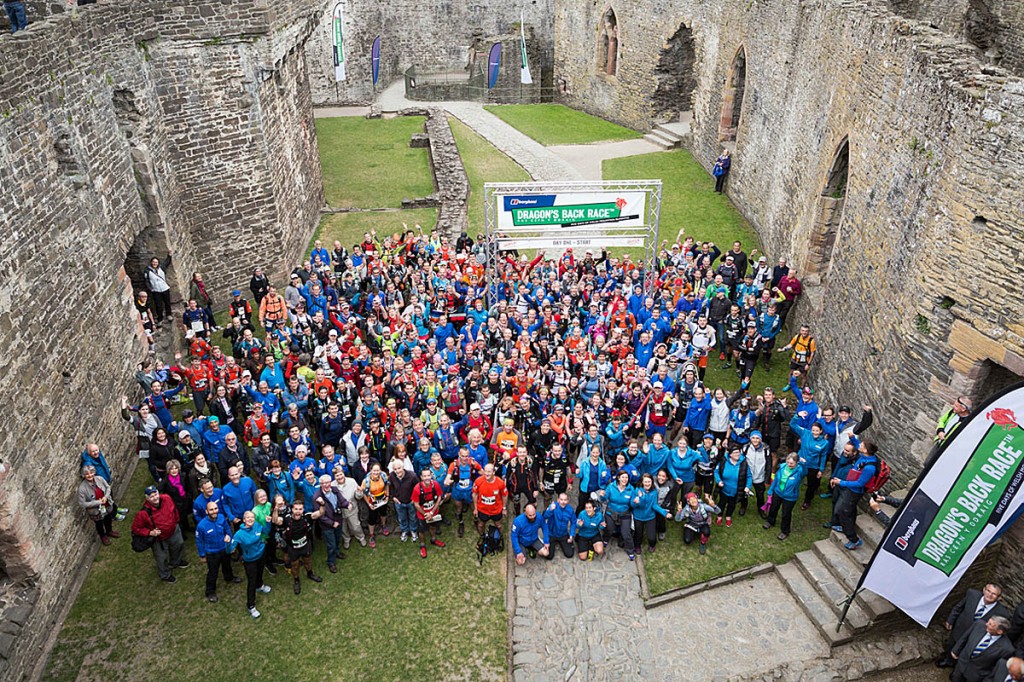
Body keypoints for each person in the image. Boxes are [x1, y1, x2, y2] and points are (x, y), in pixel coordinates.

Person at [937, 584, 1011, 668]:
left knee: (965, 652)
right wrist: (950, 620)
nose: (989, 595)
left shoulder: (1002, 613)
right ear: (984, 590)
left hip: (975, 637)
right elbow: (958, 608)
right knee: (951, 644)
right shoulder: (972, 594)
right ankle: (948, 660)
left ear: (999, 598)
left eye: (994, 594)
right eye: (988, 591)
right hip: (960, 628)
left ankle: (957, 666)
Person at [131, 485, 188, 583]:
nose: (155, 498)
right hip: (159, 539)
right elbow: (135, 528)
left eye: (155, 494)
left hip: (173, 530)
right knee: (162, 557)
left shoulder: (167, 498)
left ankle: (176, 562)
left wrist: (176, 521)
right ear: (147, 498)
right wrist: (150, 532)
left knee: (179, 544)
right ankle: (165, 575)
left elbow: (174, 510)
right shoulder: (143, 513)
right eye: (151, 497)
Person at [828, 439, 879, 550]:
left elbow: (860, 483)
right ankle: (845, 526)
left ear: (865, 450)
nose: (859, 445)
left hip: (854, 492)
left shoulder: (869, 467)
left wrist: (841, 482)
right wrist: (852, 438)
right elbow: (856, 443)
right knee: (849, 509)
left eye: (861, 445)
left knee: (843, 512)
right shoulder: (865, 456)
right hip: (850, 489)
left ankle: (853, 539)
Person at [273, 499, 323, 595]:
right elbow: (275, 521)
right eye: (296, 509)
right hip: (293, 548)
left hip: (305, 546)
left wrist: (322, 504)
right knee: (295, 565)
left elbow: (320, 513)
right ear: (292, 509)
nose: (298, 511)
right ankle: (296, 580)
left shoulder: (307, 517)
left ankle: (310, 574)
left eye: (300, 509)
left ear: (303, 509)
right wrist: (275, 510)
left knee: (308, 561)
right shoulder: (287, 519)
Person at [228, 510, 272, 618]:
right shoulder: (239, 534)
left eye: (252, 517)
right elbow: (230, 550)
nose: (250, 519)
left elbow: (265, 532)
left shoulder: (257, 525)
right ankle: (251, 605)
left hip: (261, 554)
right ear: (244, 520)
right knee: (251, 581)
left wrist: (267, 523)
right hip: (250, 560)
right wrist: (227, 543)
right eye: (247, 517)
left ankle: (260, 586)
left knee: (260, 572)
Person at [195, 500, 240, 602]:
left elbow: (227, 530)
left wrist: (230, 540)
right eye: (211, 510)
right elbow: (199, 541)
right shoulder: (201, 526)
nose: (214, 511)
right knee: (213, 573)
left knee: (227, 565)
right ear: (206, 511)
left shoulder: (221, 518)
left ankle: (229, 577)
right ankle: (210, 592)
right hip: (212, 553)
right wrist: (202, 555)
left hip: (224, 549)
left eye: (215, 508)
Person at [950, 616, 1014, 682]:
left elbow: (997, 668)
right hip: (961, 664)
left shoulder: (1007, 649)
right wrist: (956, 650)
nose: (986, 624)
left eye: (990, 624)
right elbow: (965, 637)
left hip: (976, 676)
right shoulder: (978, 625)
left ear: (999, 631)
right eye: (988, 622)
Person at [762, 453, 807, 540]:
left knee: (786, 514)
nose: (789, 465)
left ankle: (785, 531)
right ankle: (770, 521)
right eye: (788, 462)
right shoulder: (782, 467)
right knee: (773, 508)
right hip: (777, 492)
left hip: (790, 497)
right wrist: (771, 490)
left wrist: (804, 464)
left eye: (791, 463)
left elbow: (805, 472)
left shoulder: (799, 471)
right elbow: (776, 480)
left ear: (796, 463)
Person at [311, 474, 348, 572]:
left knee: (338, 539)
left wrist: (347, 505)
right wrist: (332, 523)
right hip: (327, 525)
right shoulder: (317, 497)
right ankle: (331, 562)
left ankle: (337, 552)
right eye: (323, 483)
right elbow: (320, 516)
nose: (326, 485)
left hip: (338, 519)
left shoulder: (335, 490)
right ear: (320, 484)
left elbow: (341, 500)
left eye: (328, 482)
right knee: (331, 544)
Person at [77, 465, 119, 546]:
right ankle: (103, 536)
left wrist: (106, 497)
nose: (90, 475)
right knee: (99, 524)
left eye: (91, 473)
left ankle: (109, 531)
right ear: (84, 475)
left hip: (106, 505)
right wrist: (97, 502)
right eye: (87, 474)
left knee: (108, 519)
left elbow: (108, 488)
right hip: (95, 511)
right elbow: (82, 503)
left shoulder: (100, 479)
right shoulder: (82, 488)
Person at [631, 472, 670, 554]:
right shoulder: (637, 490)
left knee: (652, 538)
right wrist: (636, 502)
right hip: (638, 516)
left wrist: (664, 513)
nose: (647, 484)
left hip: (650, 516)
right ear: (642, 482)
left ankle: (652, 545)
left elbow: (654, 505)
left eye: (649, 482)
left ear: (652, 482)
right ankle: (637, 546)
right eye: (645, 482)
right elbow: (633, 505)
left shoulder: (654, 492)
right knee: (638, 534)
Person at [411, 469, 446, 558]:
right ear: (421, 477)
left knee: (433, 526)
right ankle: (422, 545)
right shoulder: (417, 489)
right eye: (424, 476)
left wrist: (432, 512)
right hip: (422, 515)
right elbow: (416, 504)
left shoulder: (436, 485)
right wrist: (425, 514)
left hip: (433, 512)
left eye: (428, 475)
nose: (427, 478)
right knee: (422, 530)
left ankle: (433, 539)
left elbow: (439, 498)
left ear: (431, 476)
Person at [714, 448, 751, 527]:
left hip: (736, 490)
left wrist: (748, 486)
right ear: (730, 454)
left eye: (738, 452)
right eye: (735, 452)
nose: (738, 454)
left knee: (732, 504)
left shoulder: (744, 463)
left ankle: (728, 516)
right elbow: (716, 472)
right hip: (724, 489)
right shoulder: (723, 461)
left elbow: (749, 476)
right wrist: (719, 481)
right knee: (721, 503)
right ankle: (719, 516)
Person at [472, 463, 508, 537]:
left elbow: (505, 495)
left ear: (493, 472)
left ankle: (500, 537)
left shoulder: (500, 483)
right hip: (482, 510)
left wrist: (504, 508)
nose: (486, 474)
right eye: (485, 471)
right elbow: (474, 494)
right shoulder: (478, 481)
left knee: (499, 525)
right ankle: (482, 536)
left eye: (489, 472)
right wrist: (475, 508)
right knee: (481, 525)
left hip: (496, 510)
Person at [543, 493, 577, 559]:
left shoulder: (570, 510)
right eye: (561, 499)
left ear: (567, 501)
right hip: (551, 534)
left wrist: (571, 534)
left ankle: (565, 541)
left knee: (569, 554)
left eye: (565, 500)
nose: (563, 502)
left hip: (563, 534)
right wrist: (550, 510)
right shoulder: (553, 506)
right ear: (558, 500)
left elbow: (573, 522)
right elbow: (544, 517)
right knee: (549, 556)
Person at [145, 253, 173, 323]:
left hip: (164, 288)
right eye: (154, 262)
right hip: (156, 290)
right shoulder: (148, 271)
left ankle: (169, 314)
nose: (155, 263)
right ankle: (160, 317)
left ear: (158, 263)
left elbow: (167, 262)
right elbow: (146, 281)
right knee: (158, 305)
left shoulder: (161, 268)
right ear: (151, 262)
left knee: (167, 303)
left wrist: (169, 255)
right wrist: (150, 288)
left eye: (156, 262)